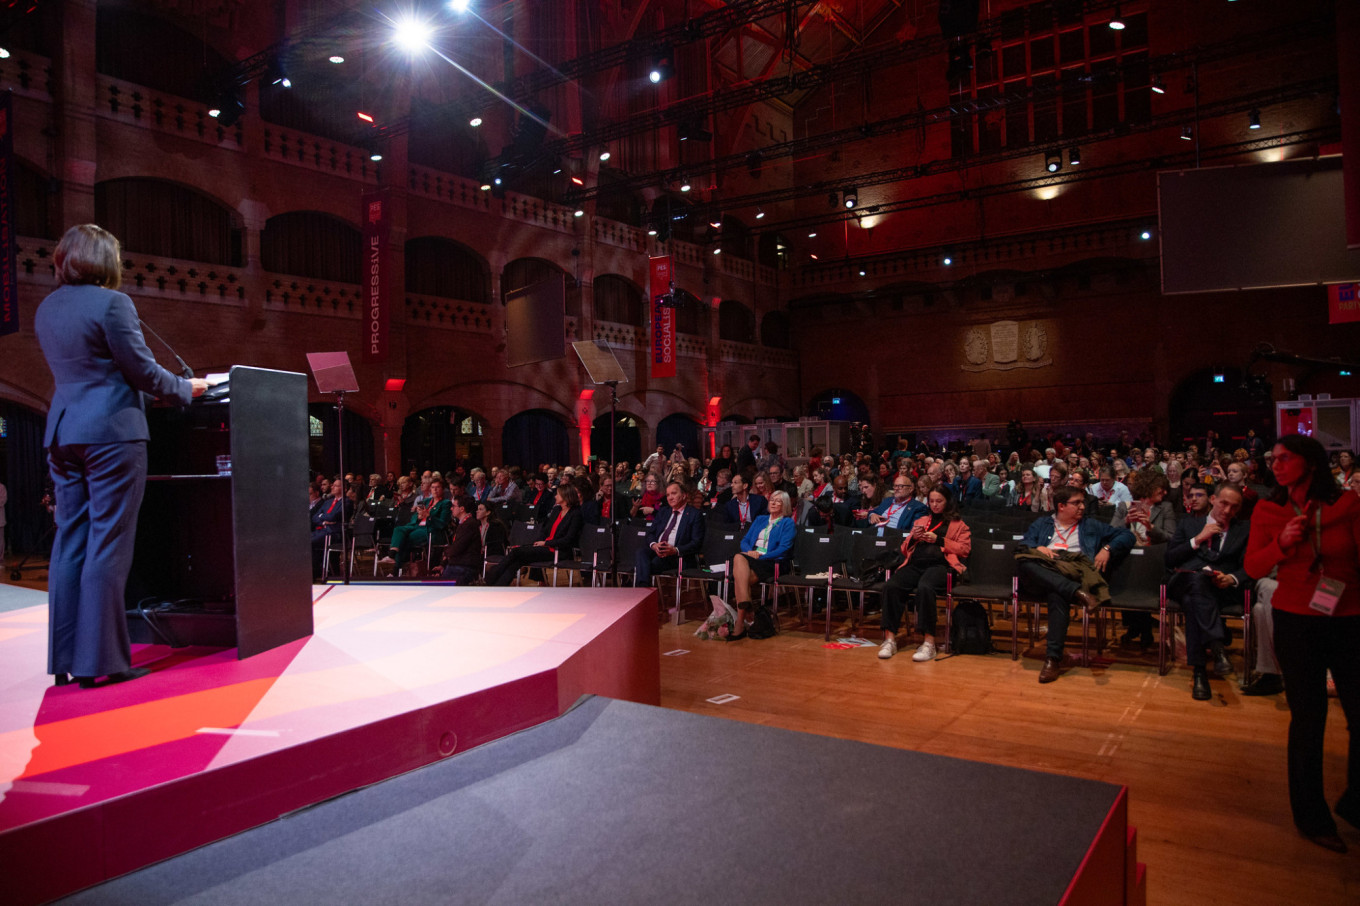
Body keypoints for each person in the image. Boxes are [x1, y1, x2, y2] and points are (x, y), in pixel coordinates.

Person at [37, 224, 208, 688]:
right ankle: (104, 661)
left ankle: (66, 660)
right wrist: (185, 388)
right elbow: (141, 370)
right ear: (105, 260)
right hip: (111, 433)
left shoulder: (48, 307)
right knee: (108, 543)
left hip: (64, 432)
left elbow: (95, 371)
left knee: (70, 541)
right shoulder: (112, 303)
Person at [1245, 434, 1360, 854]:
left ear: (1309, 462)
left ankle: (1355, 802)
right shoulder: (1268, 509)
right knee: (1309, 719)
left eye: (1284, 458)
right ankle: (1311, 817)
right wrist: (1282, 544)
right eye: (1272, 459)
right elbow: (1253, 566)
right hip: (1295, 620)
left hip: (1349, 617)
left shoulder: (1347, 504)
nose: (1275, 465)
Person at [1015, 486, 1135, 683]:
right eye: (1076, 503)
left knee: (1057, 594)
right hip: (1044, 573)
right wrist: (1038, 547)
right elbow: (1023, 545)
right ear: (1061, 506)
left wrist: (1107, 548)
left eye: (1082, 502)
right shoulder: (1042, 523)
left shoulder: (1090, 525)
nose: (1082, 506)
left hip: (1072, 571)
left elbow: (1127, 536)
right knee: (1024, 562)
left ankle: (1053, 659)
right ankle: (1077, 593)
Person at [1165, 483, 1250, 700]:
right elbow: (1170, 559)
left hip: (1219, 590)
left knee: (1193, 601)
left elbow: (1248, 567)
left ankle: (1200, 672)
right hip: (1183, 581)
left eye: (1234, 507)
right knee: (1197, 580)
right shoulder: (1189, 524)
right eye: (1224, 503)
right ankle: (1217, 647)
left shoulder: (1243, 529)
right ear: (1213, 500)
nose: (1228, 511)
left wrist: (1231, 579)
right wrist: (1198, 539)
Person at [878, 486, 971, 662]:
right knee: (891, 586)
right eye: (932, 501)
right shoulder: (921, 520)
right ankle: (889, 640)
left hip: (941, 566)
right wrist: (914, 537)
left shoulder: (959, 525)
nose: (934, 505)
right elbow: (904, 549)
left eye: (939, 501)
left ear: (947, 502)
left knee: (925, 587)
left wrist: (939, 540)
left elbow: (964, 549)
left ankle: (929, 643)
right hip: (915, 564)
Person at [728, 491, 796, 640]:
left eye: (778, 501)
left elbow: (784, 548)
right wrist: (750, 552)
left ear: (785, 505)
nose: (773, 503)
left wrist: (761, 556)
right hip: (753, 558)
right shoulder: (760, 519)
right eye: (772, 500)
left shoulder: (788, 523)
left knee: (740, 577)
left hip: (772, 561)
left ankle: (742, 621)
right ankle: (745, 614)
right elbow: (745, 541)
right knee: (740, 562)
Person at [485, 484, 583, 586]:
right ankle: (498, 585)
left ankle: (490, 578)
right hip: (546, 547)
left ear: (566, 496)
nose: (555, 496)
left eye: (558, 494)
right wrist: (538, 542)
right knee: (518, 561)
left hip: (559, 550)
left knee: (516, 552)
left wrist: (545, 543)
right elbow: (545, 530)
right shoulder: (557, 510)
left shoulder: (575, 514)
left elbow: (569, 539)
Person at [634, 481, 705, 587]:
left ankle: (642, 590)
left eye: (674, 493)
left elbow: (696, 543)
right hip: (658, 549)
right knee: (641, 552)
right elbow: (650, 533)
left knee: (649, 565)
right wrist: (654, 545)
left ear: (684, 495)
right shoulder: (663, 512)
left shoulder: (694, 514)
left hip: (677, 555)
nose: (670, 498)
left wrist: (675, 550)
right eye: (668, 495)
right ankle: (643, 589)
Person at [380, 478, 451, 574]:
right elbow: (414, 517)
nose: (435, 490)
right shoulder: (426, 501)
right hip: (417, 525)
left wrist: (428, 516)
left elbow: (442, 523)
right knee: (398, 529)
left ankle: (395, 570)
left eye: (437, 487)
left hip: (430, 529)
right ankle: (392, 555)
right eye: (433, 487)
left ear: (442, 489)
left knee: (405, 539)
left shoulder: (445, 503)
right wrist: (418, 516)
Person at [438, 494, 482, 584]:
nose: (451, 508)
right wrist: (443, 564)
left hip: (464, 567)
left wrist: (445, 554)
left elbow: (457, 547)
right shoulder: (464, 524)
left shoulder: (469, 524)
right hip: (459, 565)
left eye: (453, 506)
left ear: (462, 509)